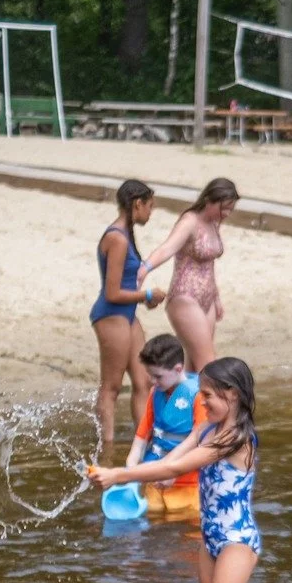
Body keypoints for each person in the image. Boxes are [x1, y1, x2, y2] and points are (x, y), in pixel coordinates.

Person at [91, 357, 261, 583]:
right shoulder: (205, 429)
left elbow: (175, 467)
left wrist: (117, 475)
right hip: (210, 536)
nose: (201, 401)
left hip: (236, 540)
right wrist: (149, 474)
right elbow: (172, 459)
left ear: (232, 394)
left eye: (207, 395)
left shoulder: (236, 439)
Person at [91, 179, 164, 462]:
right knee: (111, 386)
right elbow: (111, 292)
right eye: (150, 206)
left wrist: (143, 298)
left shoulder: (125, 234)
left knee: (144, 381)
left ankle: (143, 443)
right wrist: (146, 294)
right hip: (111, 315)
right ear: (137, 204)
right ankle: (106, 450)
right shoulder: (118, 239)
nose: (151, 212)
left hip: (127, 316)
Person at [143, 176, 237, 371]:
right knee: (208, 364)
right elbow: (167, 249)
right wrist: (144, 268)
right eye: (224, 207)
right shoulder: (190, 221)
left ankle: (180, 401)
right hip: (185, 297)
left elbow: (209, 264)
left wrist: (216, 298)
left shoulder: (213, 222)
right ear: (210, 200)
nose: (227, 213)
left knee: (194, 367)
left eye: (231, 208)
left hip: (207, 299)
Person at [125, 333, 204, 519]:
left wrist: (174, 472)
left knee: (186, 536)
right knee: (153, 527)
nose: (152, 381)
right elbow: (141, 437)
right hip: (155, 478)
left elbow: (201, 443)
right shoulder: (156, 393)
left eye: (158, 376)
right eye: (150, 375)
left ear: (178, 369)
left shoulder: (199, 396)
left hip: (188, 485)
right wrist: (130, 469)